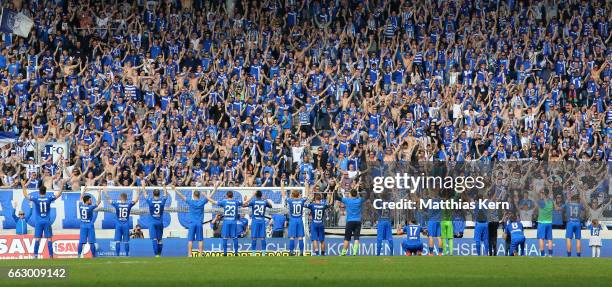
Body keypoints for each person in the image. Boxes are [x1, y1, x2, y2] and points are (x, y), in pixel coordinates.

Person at [21, 179, 63, 259]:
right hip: (47, 221)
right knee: (49, 239)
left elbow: (26, 195)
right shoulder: (49, 198)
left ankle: (35, 255)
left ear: (39, 191)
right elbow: (59, 194)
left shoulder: (36, 198)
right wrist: (62, 185)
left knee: (37, 239)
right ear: (45, 191)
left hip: (39, 221)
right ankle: (51, 256)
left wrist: (23, 186)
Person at [207, 182, 243, 256]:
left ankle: (225, 253)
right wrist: (250, 197)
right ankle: (236, 253)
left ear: (227, 196)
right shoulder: (236, 202)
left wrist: (207, 197)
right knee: (235, 237)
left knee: (225, 238)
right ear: (232, 196)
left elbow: (214, 202)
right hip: (233, 221)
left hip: (226, 221)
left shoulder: (224, 201)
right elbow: (244, 203)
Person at [104, 186, 141, 256]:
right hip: (126, 225)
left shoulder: (117, 204)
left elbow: (108, 200)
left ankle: (117, 255)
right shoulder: (129, 204)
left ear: (120, 198)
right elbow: (136, 201)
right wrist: (138, 192)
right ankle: (127, 255)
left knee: (118, 241)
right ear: (126, 198)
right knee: (126, 241)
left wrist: (105, 192)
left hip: (118, 225)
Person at [175, 186, 208, 257]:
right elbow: (210, 197)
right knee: (200, 240)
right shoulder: (202, 202)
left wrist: (174, 189)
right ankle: (200, 254)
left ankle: (189, 254)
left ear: (193, 195)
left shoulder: (191, 201)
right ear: (199, 195)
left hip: (192, 223)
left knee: (190, 240)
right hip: (199, 223)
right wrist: (215, 188)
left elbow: (181, 196)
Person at [281, 180, 308, 256]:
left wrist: (282, 185)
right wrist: (306, 185)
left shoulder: (290, 200)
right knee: (300, 237)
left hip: (292, 220)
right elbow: (306, 194)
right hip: (299, 219)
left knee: (292, 237)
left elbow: (283, 195)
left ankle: (291, 252)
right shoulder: (301, 200)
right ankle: (301, 252)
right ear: (299, 195)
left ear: (292, 195)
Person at [338, 182, 365, 256]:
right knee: (356, 238)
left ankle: (343, 253)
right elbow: (367, 196)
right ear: (356, 194)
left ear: (350, 194)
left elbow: (337, 197)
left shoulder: (347, 200)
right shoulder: (359, 200)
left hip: (350, 221)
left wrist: (336, 188)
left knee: (347, 238)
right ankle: (354, 253)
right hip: (358, 221)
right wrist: (361, 188)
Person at [244, 190, 273, 256]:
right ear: (261, 195)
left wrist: (250, 197)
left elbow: (244, 205)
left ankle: (253, 253)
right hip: (262, 221)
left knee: (254, 237)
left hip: (255, 221)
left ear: (255, 195)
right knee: (262, 237)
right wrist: (266, 199)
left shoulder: (253, 201)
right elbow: (271, 206)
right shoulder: (264, 202)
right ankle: (263, 253)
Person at [307, 186, 333, 256]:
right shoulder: (323, 205)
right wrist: (331, 195)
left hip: (314, 223)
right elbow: (330, 204)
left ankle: (316, 252)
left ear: (315, 199)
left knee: (315, 239)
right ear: (321, 199)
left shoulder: (312, 205)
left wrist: (309, 195)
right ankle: (323, 253)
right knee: (322, 240)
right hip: (321, 223)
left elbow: (305, 205)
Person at [144, 184, 169, 257]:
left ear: (153, 194)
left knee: (154, 239)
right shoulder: (162, 201)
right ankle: (159, 254)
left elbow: (145, 194)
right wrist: (164, 185)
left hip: (152, 222)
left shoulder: (150, 201)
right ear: (159, 194)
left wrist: (143, 185)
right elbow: (165, 194)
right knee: (160, 239)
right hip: (160, 222)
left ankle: (156, 254)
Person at [78, 188, 102, 258]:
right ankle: (94, 256)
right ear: (87, 201)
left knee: (82, 242)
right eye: (90, 200)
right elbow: (99, 202)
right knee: (91, 242)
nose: (91, 201)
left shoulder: (80, 205)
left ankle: (78, 255)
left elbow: (80, 198)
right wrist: (99, 192)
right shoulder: (90, 207)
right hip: (90, 225)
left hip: (82, 225)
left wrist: (83, 192)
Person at [537, 190, 554, 257]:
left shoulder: (541, 202)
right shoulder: (551, 202)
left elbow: (536, 196)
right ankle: (550, 254)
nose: (541, 195)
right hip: (549, 222)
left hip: (542, 222)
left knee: (541, 239)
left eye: (542, 193)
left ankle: (542, 254)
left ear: (544, 194)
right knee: (549, 239)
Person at [426, 190, 443, 256]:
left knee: (431, 237)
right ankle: (440, 253)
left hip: (432, 221)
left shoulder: (430, 202)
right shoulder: (440, 201)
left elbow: (428, 213)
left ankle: (431, 253)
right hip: (439, 221)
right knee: (439, 237)